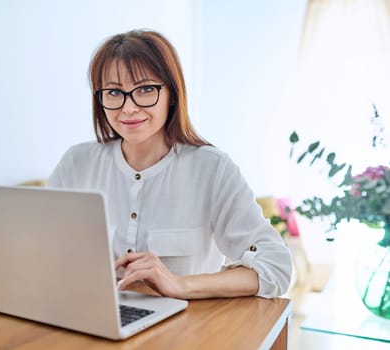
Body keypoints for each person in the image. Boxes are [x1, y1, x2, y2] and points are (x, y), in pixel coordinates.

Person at [47, 29, 292, 299]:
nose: (128, 108)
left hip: (185, 331)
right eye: (114, 92)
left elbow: (276, 268)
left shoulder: (212, 168)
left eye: (145, 89)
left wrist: (180, 284)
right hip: (92, 320)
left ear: (172, 94)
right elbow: (39, 252)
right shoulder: (76, 163)